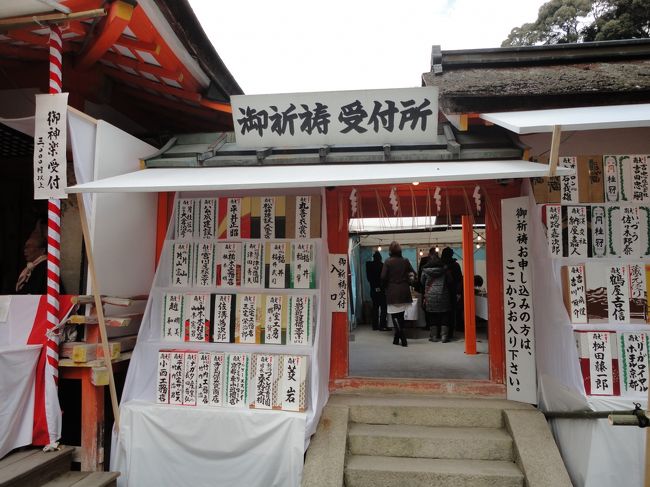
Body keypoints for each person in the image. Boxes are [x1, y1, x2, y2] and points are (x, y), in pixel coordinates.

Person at [380, 241, 415, 347]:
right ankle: (396, 339)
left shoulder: (387, 262)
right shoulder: (405, 261)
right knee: (401, 316)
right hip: (404, 290)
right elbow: (413, 273)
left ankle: (403, 338)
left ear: (390, 251)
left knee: (394, 315)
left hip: (392, 290)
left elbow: (382, 277)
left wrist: (384, 287)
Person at [420, 254, 453, 342]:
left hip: (430, 296)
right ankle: (444, 336)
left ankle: (434, 336)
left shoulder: (425, 270)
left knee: (432, 315)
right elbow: (450, 281)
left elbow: (422, 282)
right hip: (443, 295)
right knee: (444, 315)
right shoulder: (445, 269)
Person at [16, 220, 48, 294]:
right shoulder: (33, 267)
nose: (25, 250)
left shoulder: (44, 266)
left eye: (29, 247)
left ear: (42, 250)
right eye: (25, 248)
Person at [441, 247, 463, 339]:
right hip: (452, 291)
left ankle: (441, 333)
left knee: (441, 312)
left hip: (441, 291)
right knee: (451, 313)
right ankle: (449, 333)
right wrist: (458, 292)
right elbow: (459, 280)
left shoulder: (440, 265)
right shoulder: (456, 265)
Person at [365, 251, 388, 330]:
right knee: (383, 307)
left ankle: (375, 325)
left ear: (373, 257)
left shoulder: (369, 265)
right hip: (381, 289)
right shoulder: (382, 265)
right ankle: (382, 325)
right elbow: (384, 278)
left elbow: (368, 278)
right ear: (380, 258)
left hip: (373, 289)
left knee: (375, 307)